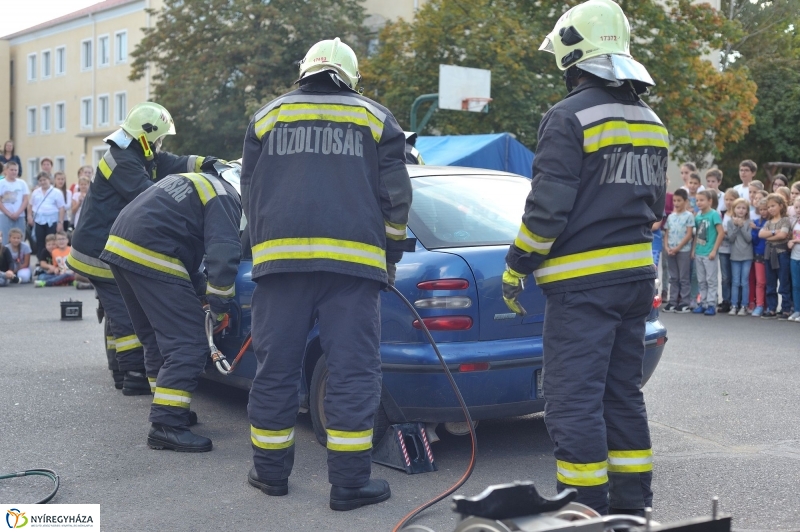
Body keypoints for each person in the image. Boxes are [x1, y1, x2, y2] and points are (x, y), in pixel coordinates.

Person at [502, 0, 666, 515]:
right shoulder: (650, 120)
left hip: (582, 289)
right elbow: (653, 207)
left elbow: (547, 208)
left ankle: (583, 510)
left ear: (573, 53)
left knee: (573, 400)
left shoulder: (568, 116)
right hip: (636, 280)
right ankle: (633, 507)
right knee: (623, 395)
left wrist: (516, 265)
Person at [241, 37, 411, 510]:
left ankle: (270, 474)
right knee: (353, 372)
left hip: (279, 267)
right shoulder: (376, 119)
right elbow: (396, 200)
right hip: (353, 270)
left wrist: (264, 249)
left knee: (275, 369)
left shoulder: (267, 117)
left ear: (304, 72)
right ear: (350, 77)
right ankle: (350, 484)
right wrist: (390, 256)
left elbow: (250, 193)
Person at [67, 102, 212, 394]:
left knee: (115, 309)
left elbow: (173, 161)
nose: (160, 145)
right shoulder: (121, 161)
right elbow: (150, 196)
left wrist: (207, 163)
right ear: (145, 137)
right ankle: (132, 374)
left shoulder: (135, 154)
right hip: (98, 251)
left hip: (105, 244)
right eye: (158, 138)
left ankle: (120, 369)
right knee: (125, 313)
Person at [100, 159, 242, 453]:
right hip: (152, 249)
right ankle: (167, 425)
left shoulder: (197, 182)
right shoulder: (226, 197)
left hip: (122, 246)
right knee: (189, 340)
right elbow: (223, 253)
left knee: (155, 337)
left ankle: (167, 405)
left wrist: (199, 289)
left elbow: (184, 243)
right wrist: (219, 305)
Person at [759, 194, 792, 319]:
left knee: (784, 282)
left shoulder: (785, 220)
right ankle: (771, 308)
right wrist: (773, 232)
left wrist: (769, 237)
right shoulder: (768, 222)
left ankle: (786, 309)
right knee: (770, 282)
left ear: (781, 206)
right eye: (768, 207)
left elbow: (783, 235)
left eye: (773, 206)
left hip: (781, 254)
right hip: (769, 254)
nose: (771, 209)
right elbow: (761, 234)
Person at [691, 190, 724, 316]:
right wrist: (694, 250)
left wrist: (714, 250)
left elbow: (721, 233)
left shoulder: (714, 215)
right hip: (699, 252)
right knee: (701, 280)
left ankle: (711, 304)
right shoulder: (698, 217)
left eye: (702, 200)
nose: (699, 203)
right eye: (697, 200)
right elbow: (697, 235)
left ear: (710, 201)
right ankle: (703, 303)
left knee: (711, 279)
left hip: (709, 253)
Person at [662, 189, 694, 313]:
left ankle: (685, 302)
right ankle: (672, 301)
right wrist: (667, 247)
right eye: (674, 200)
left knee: (683, 277)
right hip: (670, 250)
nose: (676, 203)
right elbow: (667, 233)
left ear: (686, 201)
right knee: (673, 277)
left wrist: (678, 248)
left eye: (679, 200)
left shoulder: (689, 216)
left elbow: (689, 234)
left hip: (683, 250)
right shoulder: (671, 217)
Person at [725, 198, 753, 316]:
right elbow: (731, 238)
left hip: (747, 255)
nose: (741, 210)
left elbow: (749, 239)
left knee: (744, 281)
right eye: (738, 208)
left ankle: (744, 305)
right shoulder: (730, 222)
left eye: (743, 208)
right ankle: (734, 305)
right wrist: (736, 226)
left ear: (747, 210)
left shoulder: (749, 222)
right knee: (735, 281)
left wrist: (742, 226)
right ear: (734, 209)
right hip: (735, 255)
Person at [27, 172, 65, 253]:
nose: (43, 182)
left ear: (49, 180)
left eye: (44, 180)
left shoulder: (57, 192)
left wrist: (60, 222)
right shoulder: (35, 192)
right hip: (39, 221)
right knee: (39, 241)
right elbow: (30, 205)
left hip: (52, 221)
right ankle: (41, 259)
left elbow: (61, 208)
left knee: (51, 241)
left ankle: (51, 259)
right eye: (40, 180)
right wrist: (29, 216)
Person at [716, 189, 739, 314]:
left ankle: (736, 301)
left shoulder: (740, 213)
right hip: (724, 248)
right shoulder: (722, 213)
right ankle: (726, 300)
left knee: (736, 277)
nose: (729, 202)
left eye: (732, 199)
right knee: (725, 277)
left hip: (736, 249)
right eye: (727, 199)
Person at [0, 161, 29, 246]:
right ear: (6, 170)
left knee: (20, 237)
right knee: (5, 238)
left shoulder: (22, 183)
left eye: (16, 170)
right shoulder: (1, 183)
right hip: (4, 215)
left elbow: (25, 200)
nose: (14, 172)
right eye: (11, 170)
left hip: (19, 215)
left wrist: (17, 213)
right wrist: (8, 213)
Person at [749, 199, 769, 316]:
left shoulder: (772, 222)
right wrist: (755, 229)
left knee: (770, 282)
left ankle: (769, 305)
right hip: (758, 253)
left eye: (765, 209)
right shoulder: (756, 221)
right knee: (760, 281)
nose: (763, 212)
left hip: (771, 253)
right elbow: (755, 240)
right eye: (761, 209)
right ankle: (760, 305)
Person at [788, 198, 800, 321]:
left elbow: (794, 239)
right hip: (794, 257)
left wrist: (795, 241)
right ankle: (797, 310)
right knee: (796, 285)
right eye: (796, 207)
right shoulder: (794, 221)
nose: (798, 210)